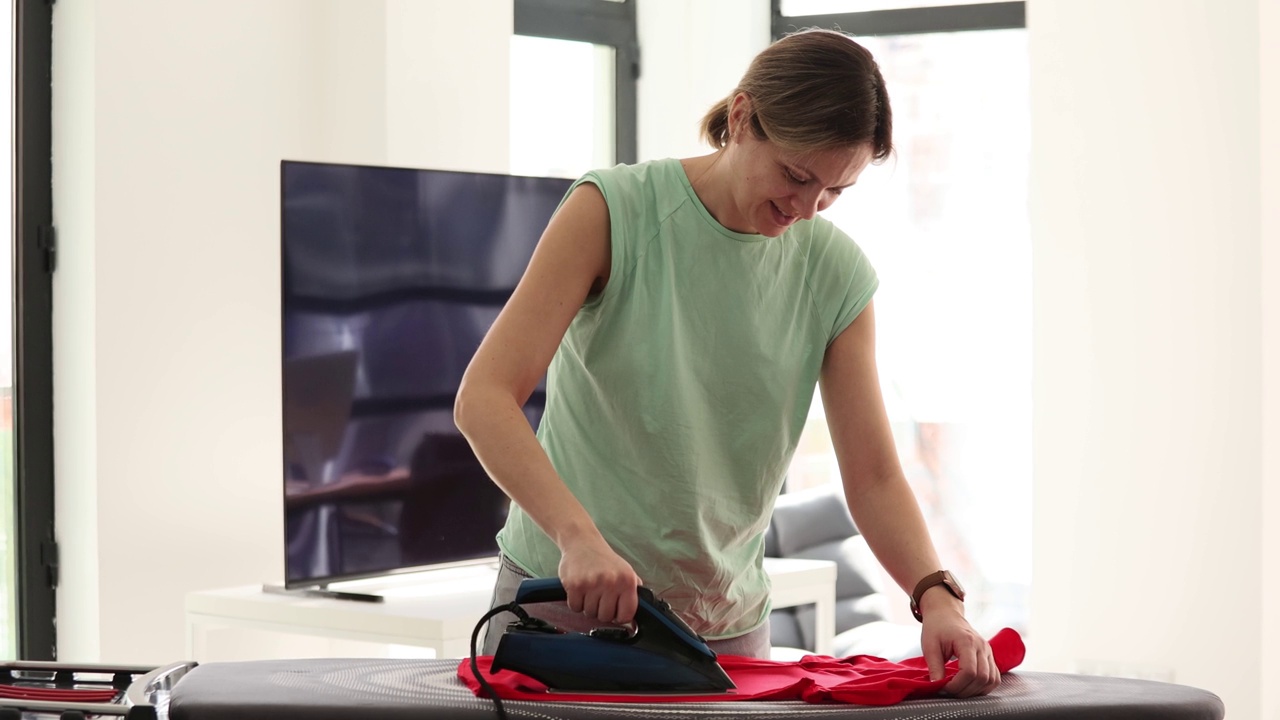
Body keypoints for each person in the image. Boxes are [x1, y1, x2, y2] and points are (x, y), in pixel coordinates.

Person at [454, 28, 1000, 697]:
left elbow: (875, 475)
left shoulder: (835, 275)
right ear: (742, 117)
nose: (804, 211)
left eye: (833, 192)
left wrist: (935, 594)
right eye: (796, 176)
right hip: (567, 604)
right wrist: (578, 537)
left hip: (726, 630)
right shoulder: (613, 211)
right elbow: (484, 396)